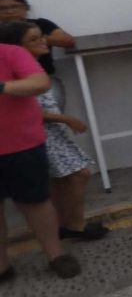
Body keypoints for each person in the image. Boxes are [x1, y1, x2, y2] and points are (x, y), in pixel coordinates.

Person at [0, 22, 103, 242]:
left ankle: (64, 223)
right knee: (78, 173)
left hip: (50, 133)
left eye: (41, 37)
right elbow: (23, 110)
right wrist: (65, 118)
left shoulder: (33, 69)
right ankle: (74, 224)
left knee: (60, 179)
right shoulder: (17, 74)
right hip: (39, 133)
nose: (42, 41)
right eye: (34, 39)